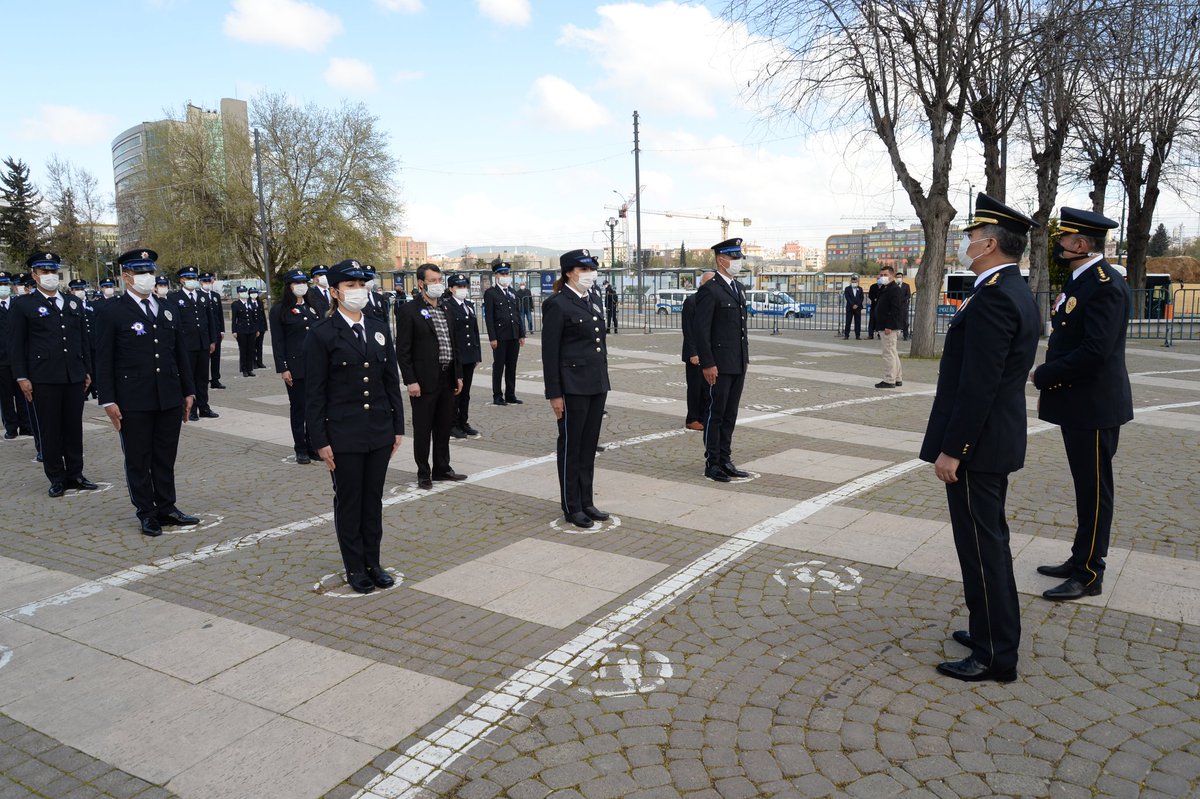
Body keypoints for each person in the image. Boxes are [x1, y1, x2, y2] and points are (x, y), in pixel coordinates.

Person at [919, 193, 1039, 683]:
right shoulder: (1013, 290)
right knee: (982, 542)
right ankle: (985, 626)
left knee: (983, 546)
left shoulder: (994, 297)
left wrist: (954, 450)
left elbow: (979, 385)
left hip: (980, 445)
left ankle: (995, 655)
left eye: (971, 236)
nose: (966, 241)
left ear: (989, 244)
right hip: (994, 439)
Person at [1031, 207, 1133, 602]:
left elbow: (1096, 352)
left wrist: (1044, 374)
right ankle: (1080, 557)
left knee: (1093, 491)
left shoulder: (1104, 284)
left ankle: (1090, 573)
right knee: (1084, 488)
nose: (1058, 246)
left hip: (1094, 406)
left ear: (1081, 244)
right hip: (1080, 404)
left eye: (1063, 240)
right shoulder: (1082, 280)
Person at [304, 259, 405, 594]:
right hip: (343, 434)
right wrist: (320, 440)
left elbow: (391, 380)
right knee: (349, 500)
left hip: (378, 430)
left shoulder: (377, 326)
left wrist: (397, 426)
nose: (358, 291)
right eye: (350, 286)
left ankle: (374, 563)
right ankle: (355, 567)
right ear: (334, 291)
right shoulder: (322, 334)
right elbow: (314, 393)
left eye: (362, 284)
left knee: (372, 500)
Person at [95, 249, 200, 537]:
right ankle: (147, 511)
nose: (147, 278)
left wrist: (189, 391)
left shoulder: (166, 307)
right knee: (139, 457)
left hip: (168, 394)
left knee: (165, 455)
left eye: (149, 271)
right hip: (133, 398)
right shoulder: (111, 311)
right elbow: (103, 358)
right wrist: (108, 399)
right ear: (126, 276)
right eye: (140, 272)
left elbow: (179, 353)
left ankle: (167, 506)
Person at [8, 252, 97, 497]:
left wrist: (87, 370)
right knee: (50, 429)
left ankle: (75, 473)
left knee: (73, 428)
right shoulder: (23, 305)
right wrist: (22, 377)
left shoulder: (73, 302)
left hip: (73, 374)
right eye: (44, 272)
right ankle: (56, 476)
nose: (50, 276)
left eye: (52, 271)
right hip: (43, 377)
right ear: (34, 275)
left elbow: (82, 339)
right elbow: (16, 344)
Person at [542, 249, 610, 529]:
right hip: (571, 386)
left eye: (592, 269)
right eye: (584, 269)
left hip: (595, 383)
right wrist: (554, 393)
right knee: (571, 446)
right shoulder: (557, 304)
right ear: (570, 272)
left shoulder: (593, 298)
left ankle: (586, 500)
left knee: (588, 446)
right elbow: (550, 352)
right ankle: (572, 505)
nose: (590, 274)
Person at [395, 264, 466, 489]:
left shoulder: (446, 309)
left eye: (439, 279)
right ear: (421, 283)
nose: (437, 284)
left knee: (444, 426)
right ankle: (423, 472)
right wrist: (410, 380)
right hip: (423, 381)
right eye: (432, 280)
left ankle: (442, 468)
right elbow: (403, 350)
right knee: (423, 428)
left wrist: (459, 375)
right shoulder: (409, 311)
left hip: (446, 378)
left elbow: (453, 345)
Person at [693, 238, 751, 483]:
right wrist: (707, 363)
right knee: (715, 413)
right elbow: (701, 330)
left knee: (730, 413)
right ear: (721, 259)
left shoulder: (737, 288)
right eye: (734, 257)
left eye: (739, 257)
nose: (737, 261)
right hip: (718, 364)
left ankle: (725, 459)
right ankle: (712, 462)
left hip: (737, 361)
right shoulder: (711, 289)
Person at [270, 269, 322, 464]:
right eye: (296, 283)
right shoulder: (280, 310)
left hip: (315, 365)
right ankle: (300, 447)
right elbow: (278, 342)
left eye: (303, 282)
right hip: (295, 366)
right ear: (289, 286)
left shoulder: (313, 306)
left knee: (314, 407)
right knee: (299, 408)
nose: (300, 285)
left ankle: (312, 445)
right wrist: (283, 368)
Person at [167, 266, 219, 421]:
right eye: (188, 278)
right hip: (187, 344)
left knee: (203, 377)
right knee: (189, 377)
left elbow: (210, 320)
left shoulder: (203, 297)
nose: (192, 281)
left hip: (203, 343)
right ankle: (192, 409)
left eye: (194, 278)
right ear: (182, 280)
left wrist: (212, 340)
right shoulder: (175, 298)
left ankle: (204, 406)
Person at [445, 272, 482, 439]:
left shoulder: (468, 305)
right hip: (457, 355)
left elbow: (474, 332)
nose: (462, 289)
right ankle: (452, 424)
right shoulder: (447, 306)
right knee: (456, 391)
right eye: (459, 286)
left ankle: (463, 422)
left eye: (464, 286)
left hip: (469, 355)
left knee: (466, 392)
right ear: (451, 288)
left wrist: (477, 355)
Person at [484, 261, 525, 405]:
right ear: (496, 275)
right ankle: (497, 395)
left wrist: (521, 334)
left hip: (513, 334)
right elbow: (489, 317)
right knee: (499, 366)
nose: (505, 276)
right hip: (500, 336)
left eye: (507, 273)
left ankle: (510, 394)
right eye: (502, 273)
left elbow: (517, 314)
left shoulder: (512, 292)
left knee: (512, 365)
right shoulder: (491, 293)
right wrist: (492, 337)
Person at [681, 270, 715, 431]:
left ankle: (703, 416)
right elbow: (688, 330)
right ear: (702, 283)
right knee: (695, 387)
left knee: (706, 387)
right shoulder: (691, 301)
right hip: (694, 353)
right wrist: (693, 352)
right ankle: (692, 418)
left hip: (709, 352)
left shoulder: (711, 300)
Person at [0, 271, 32, 439]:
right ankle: (11, 427)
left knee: (23, 394)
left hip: (18, 358)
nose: (3, 287)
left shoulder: (18, 304)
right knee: (5, 396)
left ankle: (26, 425)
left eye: (5, 283)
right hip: (2, 359)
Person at [873, 266, 905, 389]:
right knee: (893, 352)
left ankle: (889, 379)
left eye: (885, 275)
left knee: (888, 353)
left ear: (892, 276)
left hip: (889, 327)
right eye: (881, 275)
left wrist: (889, 326)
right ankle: (897, 377)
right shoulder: (886, 288)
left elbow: (895, 309)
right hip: (886, 325)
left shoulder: (894, 289)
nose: (882, 277)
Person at [68, 279, 99, 400]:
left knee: (94, 367)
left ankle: (95, 388)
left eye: (81, 289)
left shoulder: (92, 306)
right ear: (71, 291)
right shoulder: (70, 305)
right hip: (78, 343)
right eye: (77, 289)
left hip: (92, 342)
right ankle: (84, 391)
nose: (80, 291)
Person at [201, 272, 226, 389]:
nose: (207, 283)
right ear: (200, 282)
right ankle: (203, 380)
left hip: (216, 330)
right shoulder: (198, 295)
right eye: (205, 281)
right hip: (205, 332)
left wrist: (222, 330)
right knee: (205, 358)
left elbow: (220, 314)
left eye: (209, 281)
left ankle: (215, 379)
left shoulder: (215, 295)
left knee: (216, 357)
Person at [230, 286, 258, 376]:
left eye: (245, 291)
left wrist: (256, 329)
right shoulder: (236, 304)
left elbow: (254, 318)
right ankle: (244, 369)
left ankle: (250, 369)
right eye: (241, 292)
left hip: (251, 330)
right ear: (238, 294)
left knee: (251, 349)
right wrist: (234, 331)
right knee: (243, 350)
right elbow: (234, 319)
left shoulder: (250, 303)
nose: (243, 293)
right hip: (241, 330)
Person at [362, 264, 392, 332]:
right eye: (366, 278)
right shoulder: (358, 298)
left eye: (371, 278)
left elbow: (385, 317)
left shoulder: (379, 297)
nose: (369, 281)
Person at [249, 287, 268, 369]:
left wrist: (265, 326)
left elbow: (263, 315)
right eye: (252, 292)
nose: (254, 294)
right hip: (253, 328)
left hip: (261, 327)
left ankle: (260, 362)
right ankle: (253, 362)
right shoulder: (248, 303)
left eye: (255, 292)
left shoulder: (259, 302)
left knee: (259, 346)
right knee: (252, 346)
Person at [842, 275, 863, 340]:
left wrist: (857, 305)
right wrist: (853, 305)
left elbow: (861, 298)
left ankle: (858, 335)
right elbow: (847, 297)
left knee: (858, 322)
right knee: (848, 321)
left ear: (857, 282)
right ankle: (846, 335)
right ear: (851, 282)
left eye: (855, 281)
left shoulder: (860, 288)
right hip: (850, 308)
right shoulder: (847, 289)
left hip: (858, 308)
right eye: (853, 281)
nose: (854, 283)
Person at [896, 271, 912, 341]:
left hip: (903, 306)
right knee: (895, 321)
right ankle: (895, 335)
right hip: (895, 307)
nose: (899, 278)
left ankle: (905, 335)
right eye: (897, 277)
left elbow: (908, 295)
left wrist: (901, 300)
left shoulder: (906, 285)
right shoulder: (894, 285)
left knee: (905, 322)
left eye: (900, 277)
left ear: (902, 278)